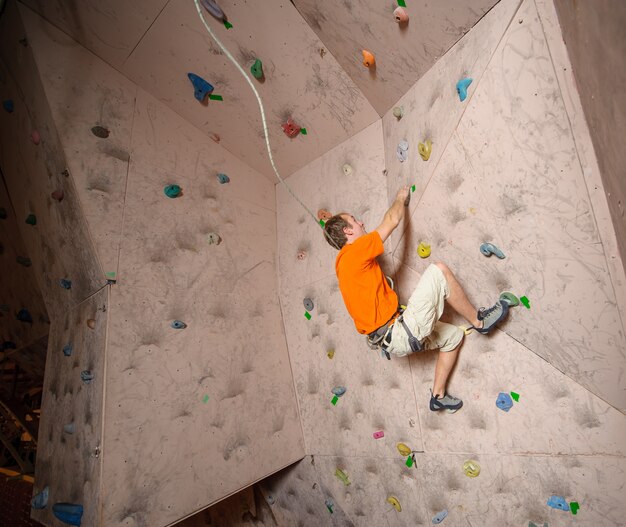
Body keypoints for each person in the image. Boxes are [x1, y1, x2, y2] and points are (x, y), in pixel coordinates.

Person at [323, 186, 509, 412]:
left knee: (453, 337)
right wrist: (400, 197)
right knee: (438, 271)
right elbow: (391, 219)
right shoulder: (353, 253)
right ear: (346, 232)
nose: (361, 223)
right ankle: (481, 322)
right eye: (355, 221)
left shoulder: (345, 267)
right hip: (399, 330)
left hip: (395, 340)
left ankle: (438, 396)